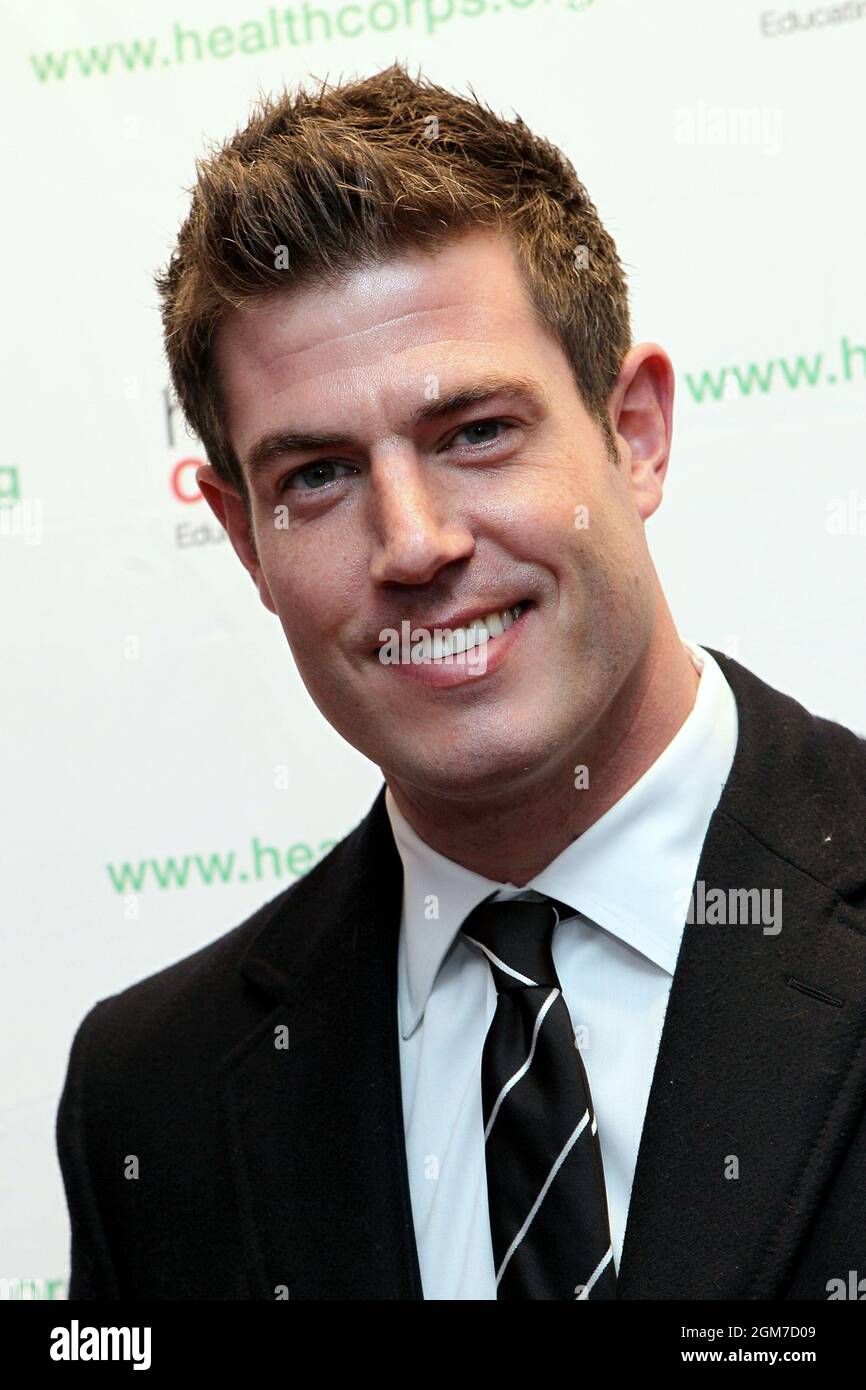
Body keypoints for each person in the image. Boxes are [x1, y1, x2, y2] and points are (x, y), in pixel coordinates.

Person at [57, 62, 866, 1301]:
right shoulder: (153, 1097)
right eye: (317, 474)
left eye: (475, 432)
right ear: (242, 540)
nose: (414, 542)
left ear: (632, 431)